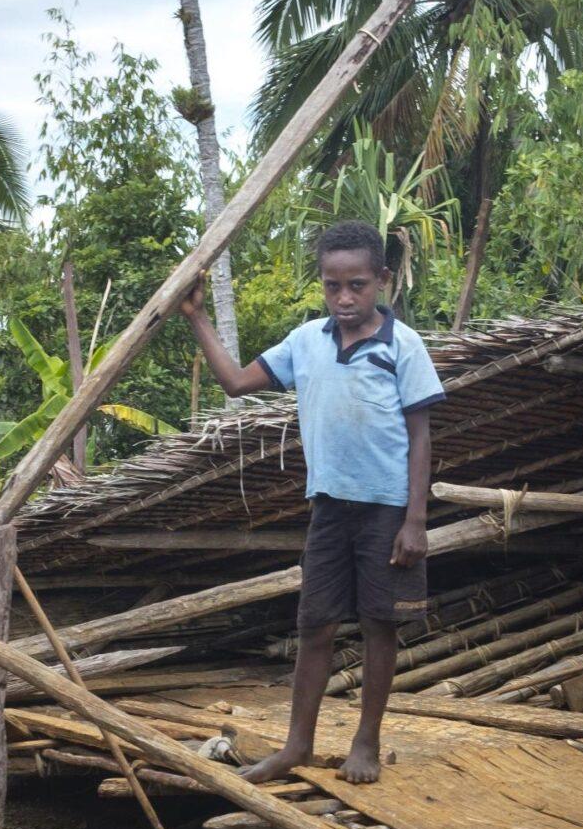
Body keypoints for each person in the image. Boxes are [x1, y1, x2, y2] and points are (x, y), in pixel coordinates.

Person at [177, 220, 444, 784]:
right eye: (332, 286)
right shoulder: (305, 342)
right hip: (328, 508)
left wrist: (415, 520)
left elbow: (420, 436)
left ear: (383, 281)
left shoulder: (404, 345)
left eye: (358, 286)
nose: (345, 298)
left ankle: (365, 744)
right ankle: (296, 746)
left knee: (379, 625)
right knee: (316, 624)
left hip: (387, 511)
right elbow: (234, 382)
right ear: (321, 285)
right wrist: (196, 316)